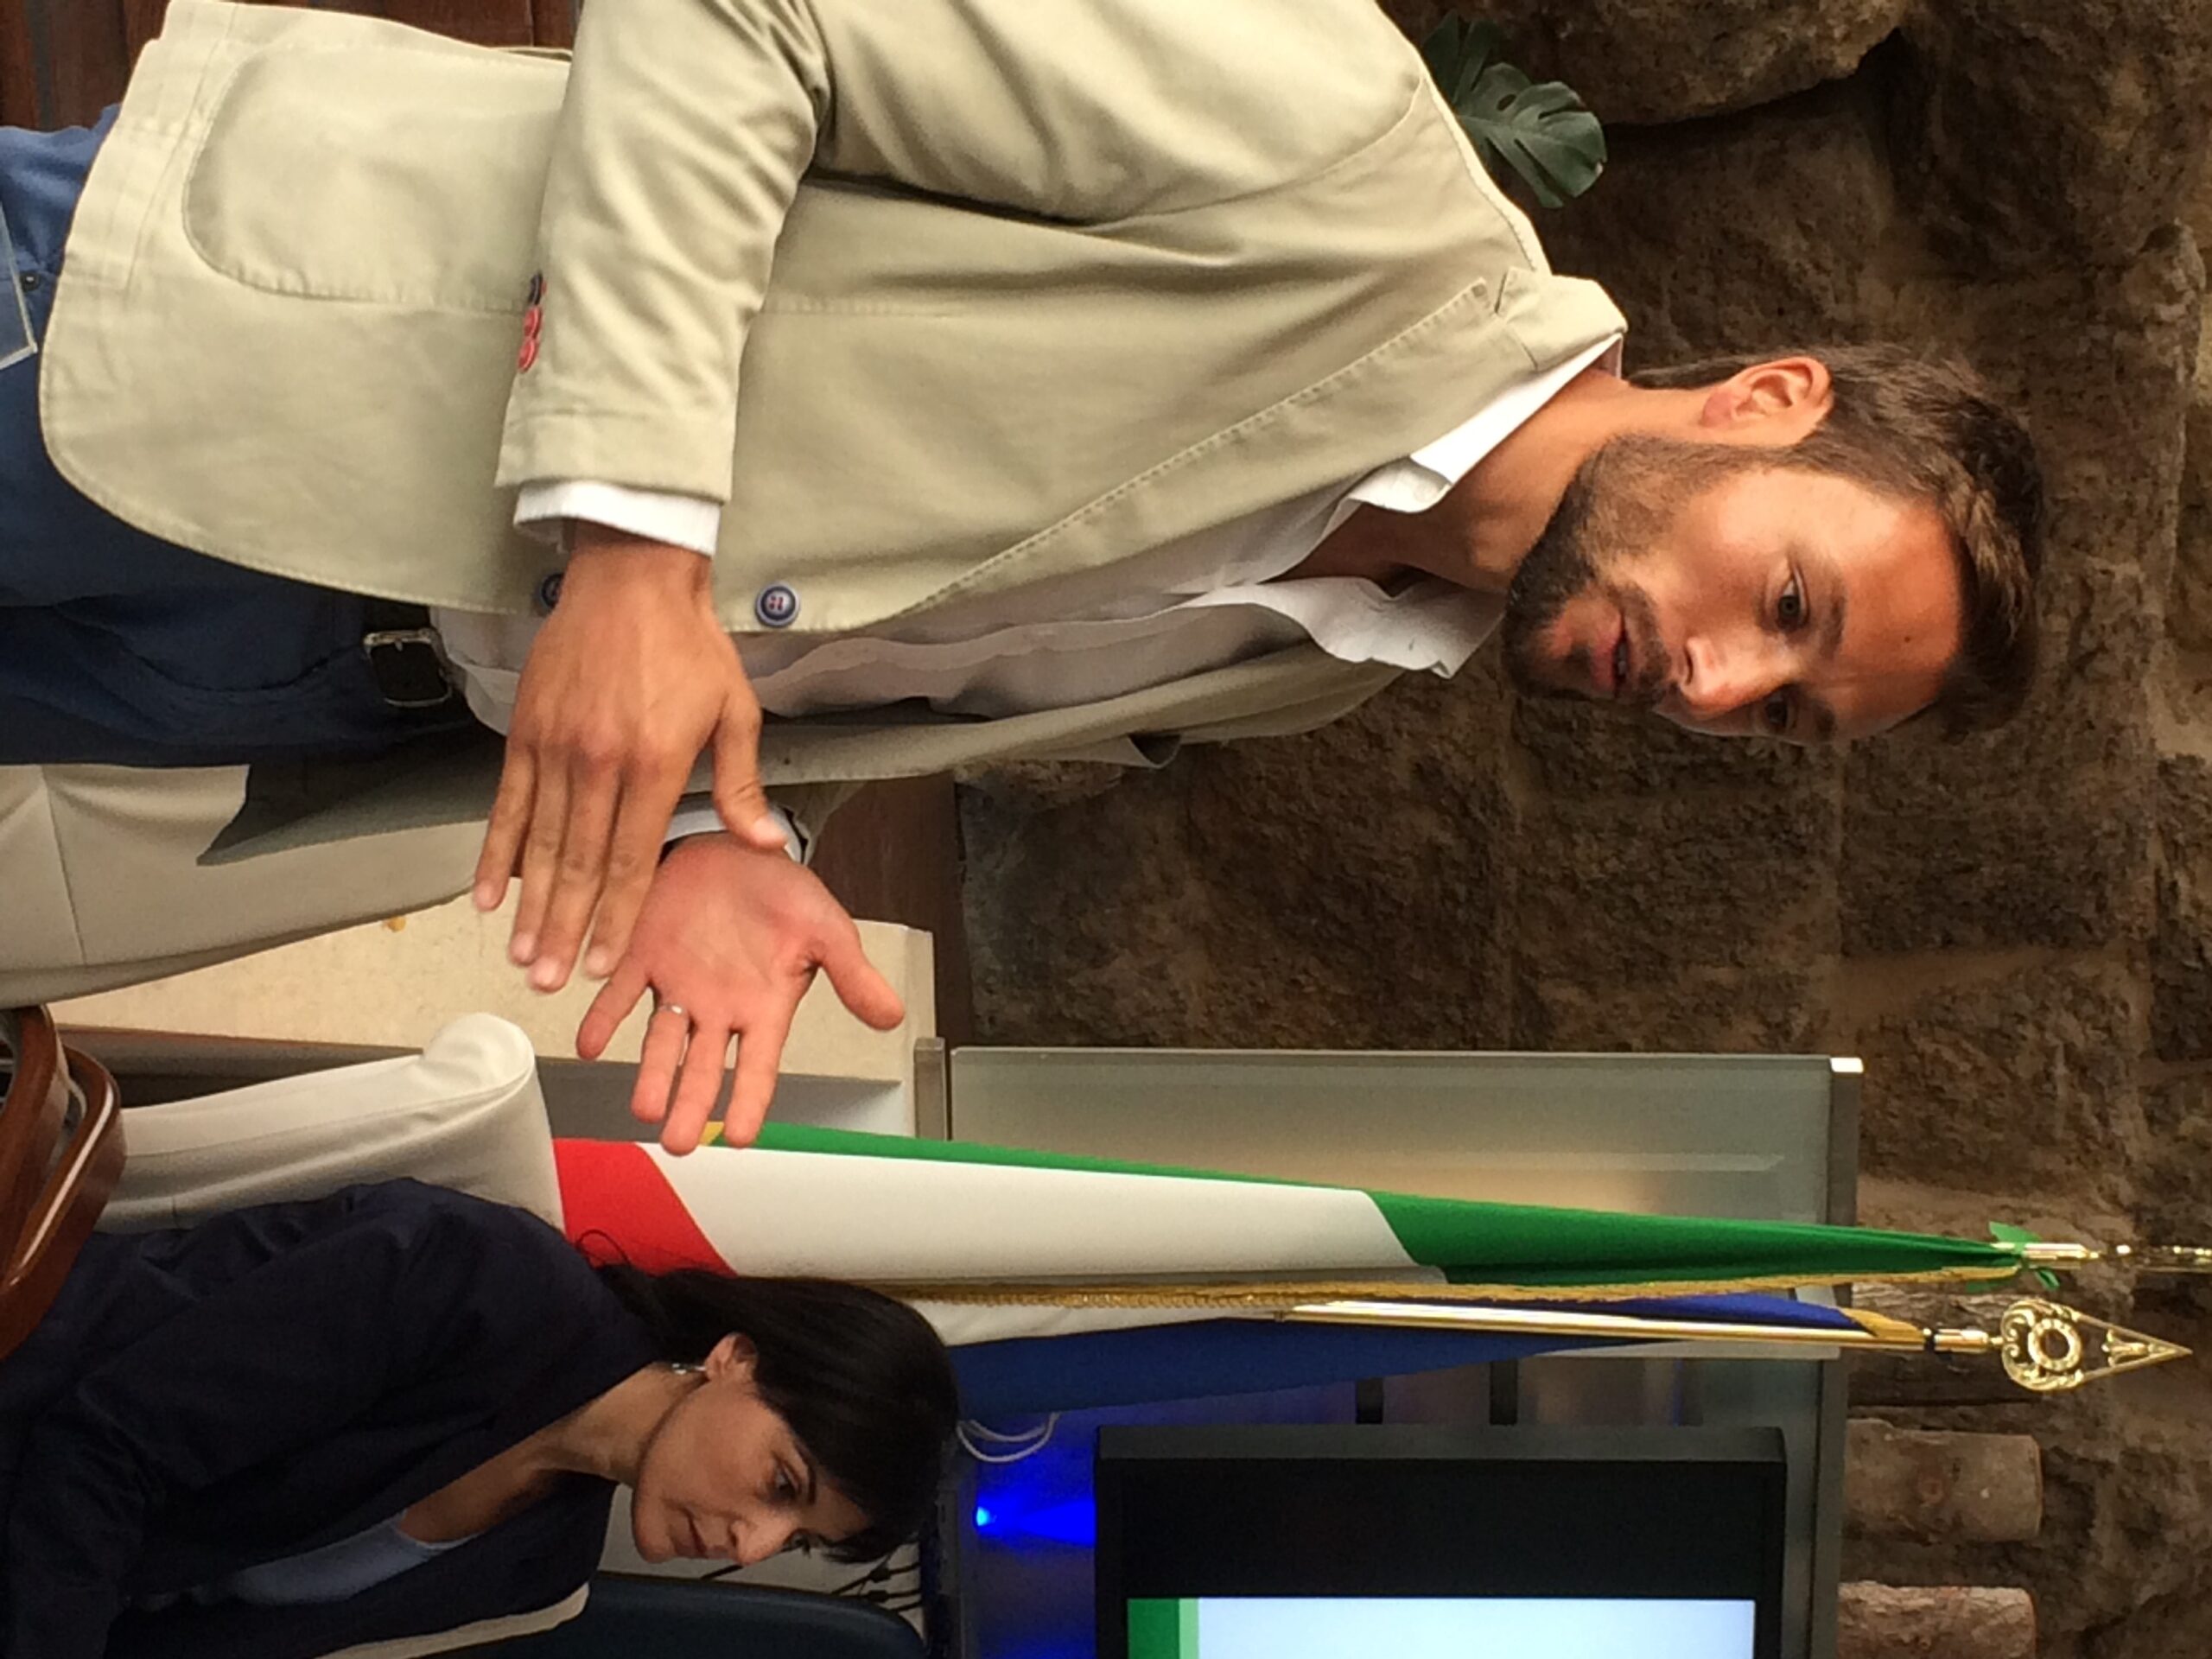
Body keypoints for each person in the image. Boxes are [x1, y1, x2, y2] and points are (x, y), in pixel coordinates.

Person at [0, 0, 2044, 1154]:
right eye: (1786, 608)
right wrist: (631, 548)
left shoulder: (1335, 659)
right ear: (1765, 400)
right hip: (222, 344)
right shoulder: (1343, 148)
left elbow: (836, 602)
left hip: (299, 682)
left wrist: (722, 831)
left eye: (1781, 716)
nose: (1715, 688)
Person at [0, 1178, 959, 1659]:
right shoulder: (487, 1284)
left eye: (797, 1539)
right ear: (736, 1358)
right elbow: (103, 1447)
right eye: (782, 1484)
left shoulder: (544, 1561)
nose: (752, 1546)